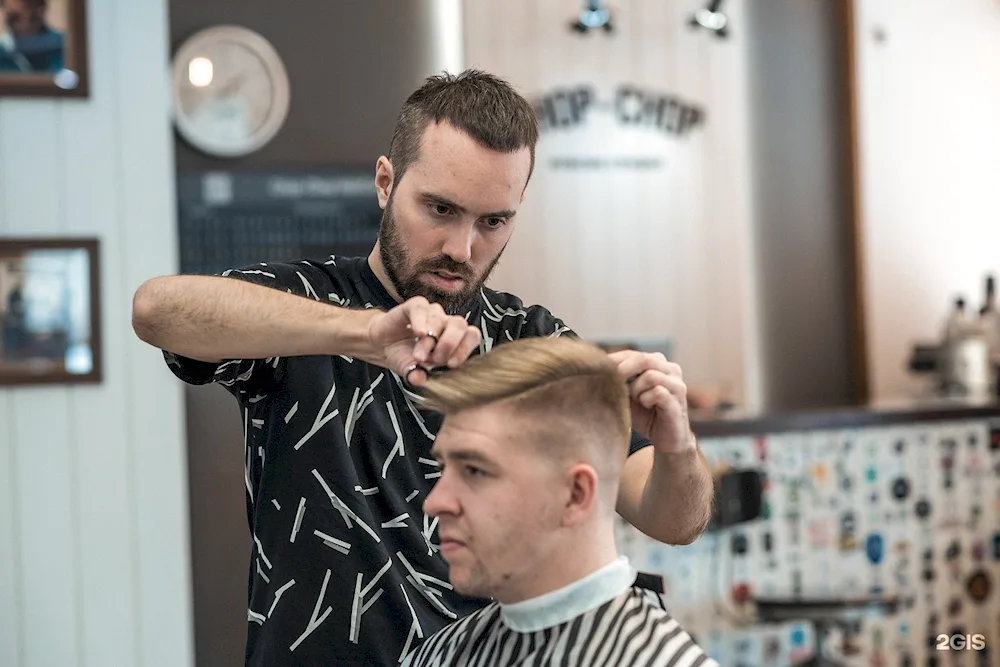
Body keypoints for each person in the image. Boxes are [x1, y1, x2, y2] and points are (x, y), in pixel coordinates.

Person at [131, 69, 714, 667]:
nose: (462, 249)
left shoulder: (531, 342)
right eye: (440, 208)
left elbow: (675, 520)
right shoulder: (305, 305)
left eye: (493, 222)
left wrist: (677, 448)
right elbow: (156, 310)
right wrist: (362, 333)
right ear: (386, 183)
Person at [400, 335, 717, 666]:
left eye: (475, 471)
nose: (435, 503)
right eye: (443, 467)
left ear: (575, 494)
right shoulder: (435, 656)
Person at [0, 0, 64, 73]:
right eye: (14, 18)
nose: (24, 24)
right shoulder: (2, 52)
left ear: (43, 7)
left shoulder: (68, 48)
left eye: (32, 17)